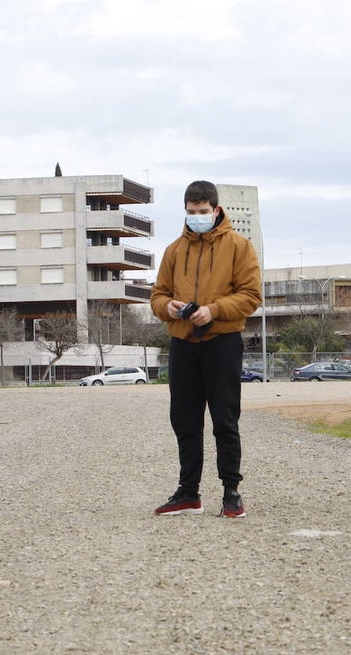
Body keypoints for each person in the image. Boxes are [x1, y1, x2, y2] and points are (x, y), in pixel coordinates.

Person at [150, 180, 263, 518]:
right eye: (190, 212)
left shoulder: (239, 247)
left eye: (202, 212)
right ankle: (188, 493)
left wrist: (213, 310)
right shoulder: (173, 250)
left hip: (222, 342)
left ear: (215, 210)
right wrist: (167, 307)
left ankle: (231, 491)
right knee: (184, 420)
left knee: (225, 419)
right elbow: (157, 294)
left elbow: (251, 295)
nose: (196, 218)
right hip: (183, 343)